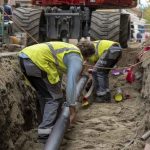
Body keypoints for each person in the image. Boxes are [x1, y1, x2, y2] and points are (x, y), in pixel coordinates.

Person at [18, 41, 95, 139]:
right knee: (54, 98)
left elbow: (56, 78)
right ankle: (45, 132)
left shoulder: (68, 51)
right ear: (86, 56)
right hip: (36, 61)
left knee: (45, 95)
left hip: (24, 58)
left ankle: (46, 124)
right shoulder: (76, 58)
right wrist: (72, 110)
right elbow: (71, 84)